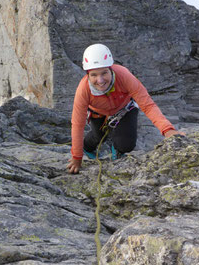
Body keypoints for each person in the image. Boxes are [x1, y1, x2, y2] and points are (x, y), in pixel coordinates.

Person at [67, 43, 184, 174]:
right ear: (87, 74)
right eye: (94, 75)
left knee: (126, 145)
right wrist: (77, 157)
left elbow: (148, 105)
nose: (100, 80)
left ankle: (117, 149)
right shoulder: (83, 90)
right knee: (98, 136)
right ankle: (88, 148)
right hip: (98, 113)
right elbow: (78, 124)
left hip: (124, 110)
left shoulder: (124, 76)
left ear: (110, 69)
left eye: (104, 73)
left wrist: (167, 130)